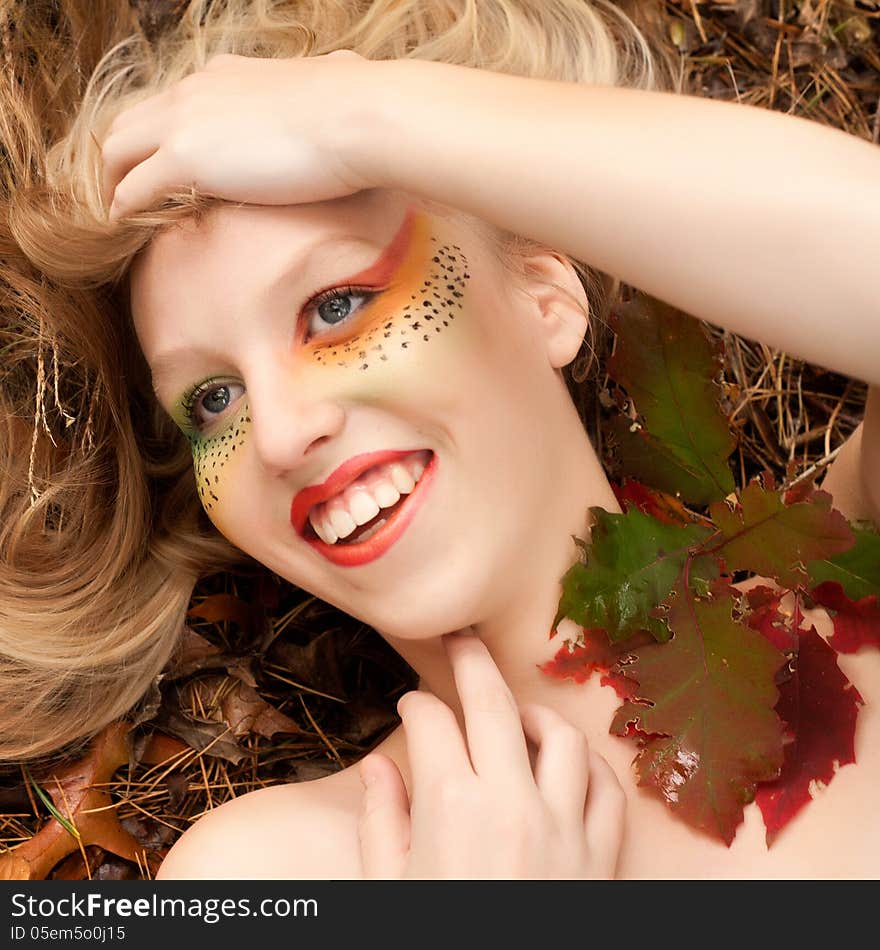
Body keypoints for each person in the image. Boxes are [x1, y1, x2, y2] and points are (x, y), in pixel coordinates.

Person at [1, 0, 877, 879]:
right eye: (213, 398)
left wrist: (358, 116)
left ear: (545, 298)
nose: (278, 433)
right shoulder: (287, 869)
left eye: (336, 307)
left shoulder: (852, 596)